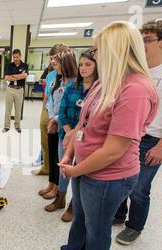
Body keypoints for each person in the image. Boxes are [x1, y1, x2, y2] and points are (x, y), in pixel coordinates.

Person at [48, 21, 158, 250]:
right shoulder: (104, 83)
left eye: (97, 50)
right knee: (81, 218)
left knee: (96, 228)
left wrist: (75, 169)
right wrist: (70, 150)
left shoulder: (135, 90)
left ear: (114, 50)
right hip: (87, 166)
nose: (93, 55)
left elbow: (113, 150)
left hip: (109, 176)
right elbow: (83, 124)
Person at [114, 20, 162, 245]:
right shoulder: (136, 70)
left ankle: (134, 226)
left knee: (139, 188)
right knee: (122, 179)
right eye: (141, 40)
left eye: (148, 40)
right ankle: (118, 216)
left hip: (154, 139)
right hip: (130, 136)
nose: (143, 44)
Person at [51, 48, 98, 221]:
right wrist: (69, 133)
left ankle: (73, 205)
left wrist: (76, 134)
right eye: (80, 65)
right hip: (66, 134)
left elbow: (93, 118)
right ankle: (60, 198)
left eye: (88, 64)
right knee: (64, 167)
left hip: (87, 140)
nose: (83, 68)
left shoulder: (98, 89)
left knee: (79, 172)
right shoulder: (72, 86)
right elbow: (62, 111)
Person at [39, 49, 77, 206]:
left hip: (66, 126)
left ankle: (59, 193)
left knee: (62, 160)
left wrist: (55, 120)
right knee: (54, 154)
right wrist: (51, 118)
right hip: (55, 122)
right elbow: (53, 101)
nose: (53, 66)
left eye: (55, 63)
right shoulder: (59, 80)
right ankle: (52, 184)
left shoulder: (74, 82)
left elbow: (67, 106)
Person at [33, 45, 66, 176]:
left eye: (55, 58)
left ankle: (57, 177)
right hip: (48, 112)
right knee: (46, 143)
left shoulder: (69, 76)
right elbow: (47, 95)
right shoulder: (51, 75)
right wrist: (43, 111)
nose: (52, 61)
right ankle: (46, 167)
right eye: (51, 58)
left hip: (62, 116)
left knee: (59, 148)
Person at [3, 49, 28, 133]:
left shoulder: (25, 65)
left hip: (19, 90)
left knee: (18, 110)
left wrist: (13, 75)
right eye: (14, 57)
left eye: (17, 57)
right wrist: (19, 75)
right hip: (10, 89)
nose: (15, 59)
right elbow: (6, 78)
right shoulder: (9, 65)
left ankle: (17, 126)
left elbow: (24, 76)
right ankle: (6, 126)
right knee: (8, 109)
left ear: (20, 56)